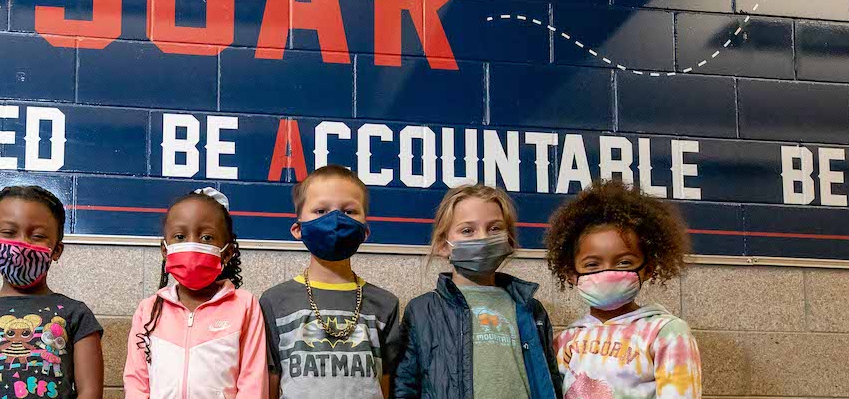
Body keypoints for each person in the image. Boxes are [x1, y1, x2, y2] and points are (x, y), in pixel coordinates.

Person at [393, 184, 559, 399]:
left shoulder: (529, 308)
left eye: (495, 228)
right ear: (444, 245)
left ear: (508, 239)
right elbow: (405, 385)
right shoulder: (422, 309)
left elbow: (550, 378)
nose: (483, 238)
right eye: (467, 230)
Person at [0, 186, 103, 399]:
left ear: (57, 250)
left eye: (38, 235)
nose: (22, 244)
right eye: (8, 232)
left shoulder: (76, 314)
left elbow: (90, 392)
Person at [544, 180, 701, 399]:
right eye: (592, 264)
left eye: (624, 262)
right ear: (571, 273)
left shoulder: (665, 332)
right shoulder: (564, 341)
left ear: (647, 269)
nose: (608, 272)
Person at [260, 165, 404, 398]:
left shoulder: (385, 303)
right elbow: (271, 379)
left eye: (349, 212)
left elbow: (386, 380)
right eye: (320, 211)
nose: (335, 220)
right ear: (298, 229)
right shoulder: (275, 301)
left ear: (364, 231)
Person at [123, 188, 267, 399]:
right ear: (165, 250)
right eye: (180, 236)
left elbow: (253, 382)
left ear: (226, 253)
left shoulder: (244, 305)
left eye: (206, 237)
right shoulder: (149, 310)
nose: (192, 244)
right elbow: (136, 380)